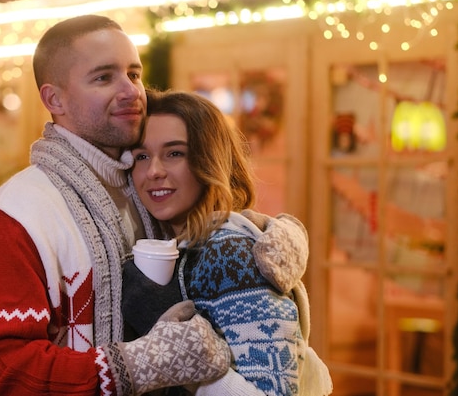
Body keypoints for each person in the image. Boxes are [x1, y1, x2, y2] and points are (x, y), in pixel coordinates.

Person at [0, 15, 232, 396]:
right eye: (104, 78)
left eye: (134, 74)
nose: (131, 91)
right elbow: (5, 374)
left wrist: (254, 232)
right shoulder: (13, 218)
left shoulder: (141, 187)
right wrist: (141, 363)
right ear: (55, 99)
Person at [123, 89, 333, 395]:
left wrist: (185, 357)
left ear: (208, 162)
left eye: (174, 153)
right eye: (142, 156)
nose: (153, 171)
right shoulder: (190, 245)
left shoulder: (226, 253)